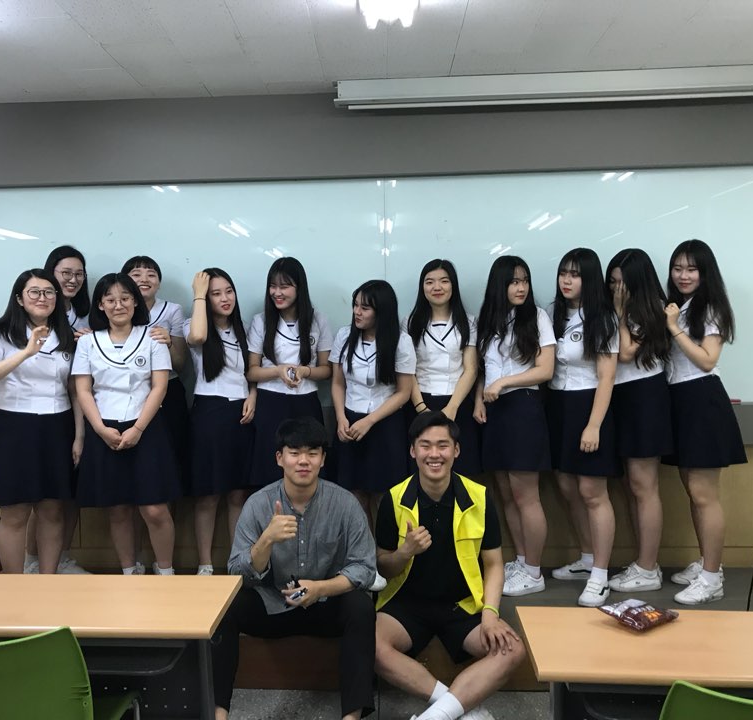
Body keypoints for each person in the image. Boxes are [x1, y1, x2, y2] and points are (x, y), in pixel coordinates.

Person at [212, 417, 377, 720]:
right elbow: (236, 572)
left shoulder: (344, 504)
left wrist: (321, 588)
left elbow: (365, 568)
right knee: (225, 608)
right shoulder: (258, 504)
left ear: (323, 459)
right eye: (294, 453)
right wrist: (265, 541)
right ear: (280, 458)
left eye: (312, 453)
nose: (303, 461)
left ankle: (352, 716)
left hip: (325, 603)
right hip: (273, 603)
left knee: (361, 607)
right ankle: (217, 713)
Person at [375, 411, 524, 720]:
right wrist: (405, 552)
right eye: (425, 445)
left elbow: (494, 564)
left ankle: (436, 717)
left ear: (456, 450)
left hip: (463, 604)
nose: (434, 454)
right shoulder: (394, 499)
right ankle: (453, 708)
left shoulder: (479, 497)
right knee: (367, 644)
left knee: (513, 650)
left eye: (442, 445)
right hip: (407, 603)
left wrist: (490, 613)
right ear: (413, 451)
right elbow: (384, 567)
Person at [72, 272, 179, 575]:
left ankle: (166, 572)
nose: (118, 305)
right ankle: (129, 572)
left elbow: (159, 386)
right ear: (100, 305)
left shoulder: (153, 337)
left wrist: (138, 429)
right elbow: (83, 390)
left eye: (125, 298)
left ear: (135, 302)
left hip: (146, 427)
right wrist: (99, 429)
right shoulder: (88, 342)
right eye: (110, 300)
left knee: (154, 508)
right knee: (118, 508)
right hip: (103, 427)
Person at [0, 269, 76, 573]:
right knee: (15, 513)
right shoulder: (1, 333)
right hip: (14, 428)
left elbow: (74, 389)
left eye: (49, 292)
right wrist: (26, 352)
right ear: (19, 298)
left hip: (57, 426)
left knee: (52, 510)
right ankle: (15, 586)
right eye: (34, 292)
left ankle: (47, 580)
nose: (43, 298)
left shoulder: (66, 335)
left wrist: (79, 436)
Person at [664, 239, 746, 605]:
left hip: (702, 398)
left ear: (705, 272)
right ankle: (707, 564)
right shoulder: (680, 306)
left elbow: (708, 359)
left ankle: (712, 578)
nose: (683, 275)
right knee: (692, 491)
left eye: (691, 269)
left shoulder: (710, 306)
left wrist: (674, 328)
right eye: (678, 268)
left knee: (703, 494)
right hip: (681, 400)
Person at [473, 256, 555, 597]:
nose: (520, 288)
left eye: (524, 281)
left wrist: (504, 382)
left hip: (523, 406)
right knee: (505, 491)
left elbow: (545, 370)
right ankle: (521, 561)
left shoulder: (537, 317)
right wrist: (479, 399)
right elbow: (484, 369)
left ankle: (534, 572)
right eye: (513, 281)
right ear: (500, 284)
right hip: (495, 409)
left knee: (526, 494)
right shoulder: (487, 319)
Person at [547, 248, 620, 607]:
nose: (567, 280)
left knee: (593, 491)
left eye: (575, 274)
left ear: (589, 279)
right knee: (566, 485)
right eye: (563, 273)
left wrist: (593, 425)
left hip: (589, 403)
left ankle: (601, 576)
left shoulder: (602, 318)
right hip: (557, 404)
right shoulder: (553, 313)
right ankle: (588, 558)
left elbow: (607, 377)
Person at [605, 249, 673, 593]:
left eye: (623, 283)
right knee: (631, 485)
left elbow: (627, 352)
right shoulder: (617, 308)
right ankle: (643, 562)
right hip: (621, 396)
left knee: (644, 485)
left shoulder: (653, 308)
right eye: (613, 283)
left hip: (645, 396)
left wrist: (619, 314)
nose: (617, 290)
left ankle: (648, 567)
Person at [24, 245, 91, 575]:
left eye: (79, 274)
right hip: (35, 415)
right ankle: (31, 560)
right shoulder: (34, 317)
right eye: (66, 273)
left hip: (78, 410)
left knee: (70, 492)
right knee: (42, 496)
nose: (72, 280)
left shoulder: (86, 315)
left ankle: (60, 558)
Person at [185, 269, 256, 575]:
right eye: (215, 293)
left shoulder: (245, 329)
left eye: (228, 291)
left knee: (238, 493)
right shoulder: (193, 325)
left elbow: (253, 371)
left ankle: (236, 562)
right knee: (208, 494)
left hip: (242, 412)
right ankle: (205, 564)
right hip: (209, 412)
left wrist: (253, 395)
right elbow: (199, 336)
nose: (224, 298)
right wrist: (199, 294)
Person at [331, 279, 415, 518]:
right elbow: (338, 383)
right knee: (354, 495)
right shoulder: (344, 336)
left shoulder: (401, 341)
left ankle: (384, 544)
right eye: (355, 305)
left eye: (365, 308)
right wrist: (340, 418)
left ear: (382, 311)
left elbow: (404, 392)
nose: (357, 312)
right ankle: (361, 543)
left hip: (385, 423)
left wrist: (370, 421)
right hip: (350, 421)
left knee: (384, 496)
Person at [247, 257, 333, 488]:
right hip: (270, 402)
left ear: (299, 287)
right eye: (273, 286)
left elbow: (326, 370)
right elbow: (251, 372)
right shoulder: (261, 321)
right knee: (270, 470)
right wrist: (278, 371)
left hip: (307, 402)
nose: (277, 292)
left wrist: (305, 371)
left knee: (308, 470)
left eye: (284, 286)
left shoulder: (318, 320)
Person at [404, 259, 481, 476]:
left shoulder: (469, 322)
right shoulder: (409, 322)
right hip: (420, 402)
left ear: (453, 285)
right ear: (422, 287)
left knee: (462, 472)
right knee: (422, 471)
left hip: (458, 403)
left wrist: (452, 407)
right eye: (429, 282)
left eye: (444, 281)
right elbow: (408, 371)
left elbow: (471, 369)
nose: (437, 287)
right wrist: (421, 408)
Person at [121, 255, 191, 476]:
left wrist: (169, 342)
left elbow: (180, 364)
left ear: (159, 283)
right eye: (136, 274)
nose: (144, 279)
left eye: (151, 275)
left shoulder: (172, 310)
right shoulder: (117, 309)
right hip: (129, 392)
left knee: (169, 458)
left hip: (168, 392)